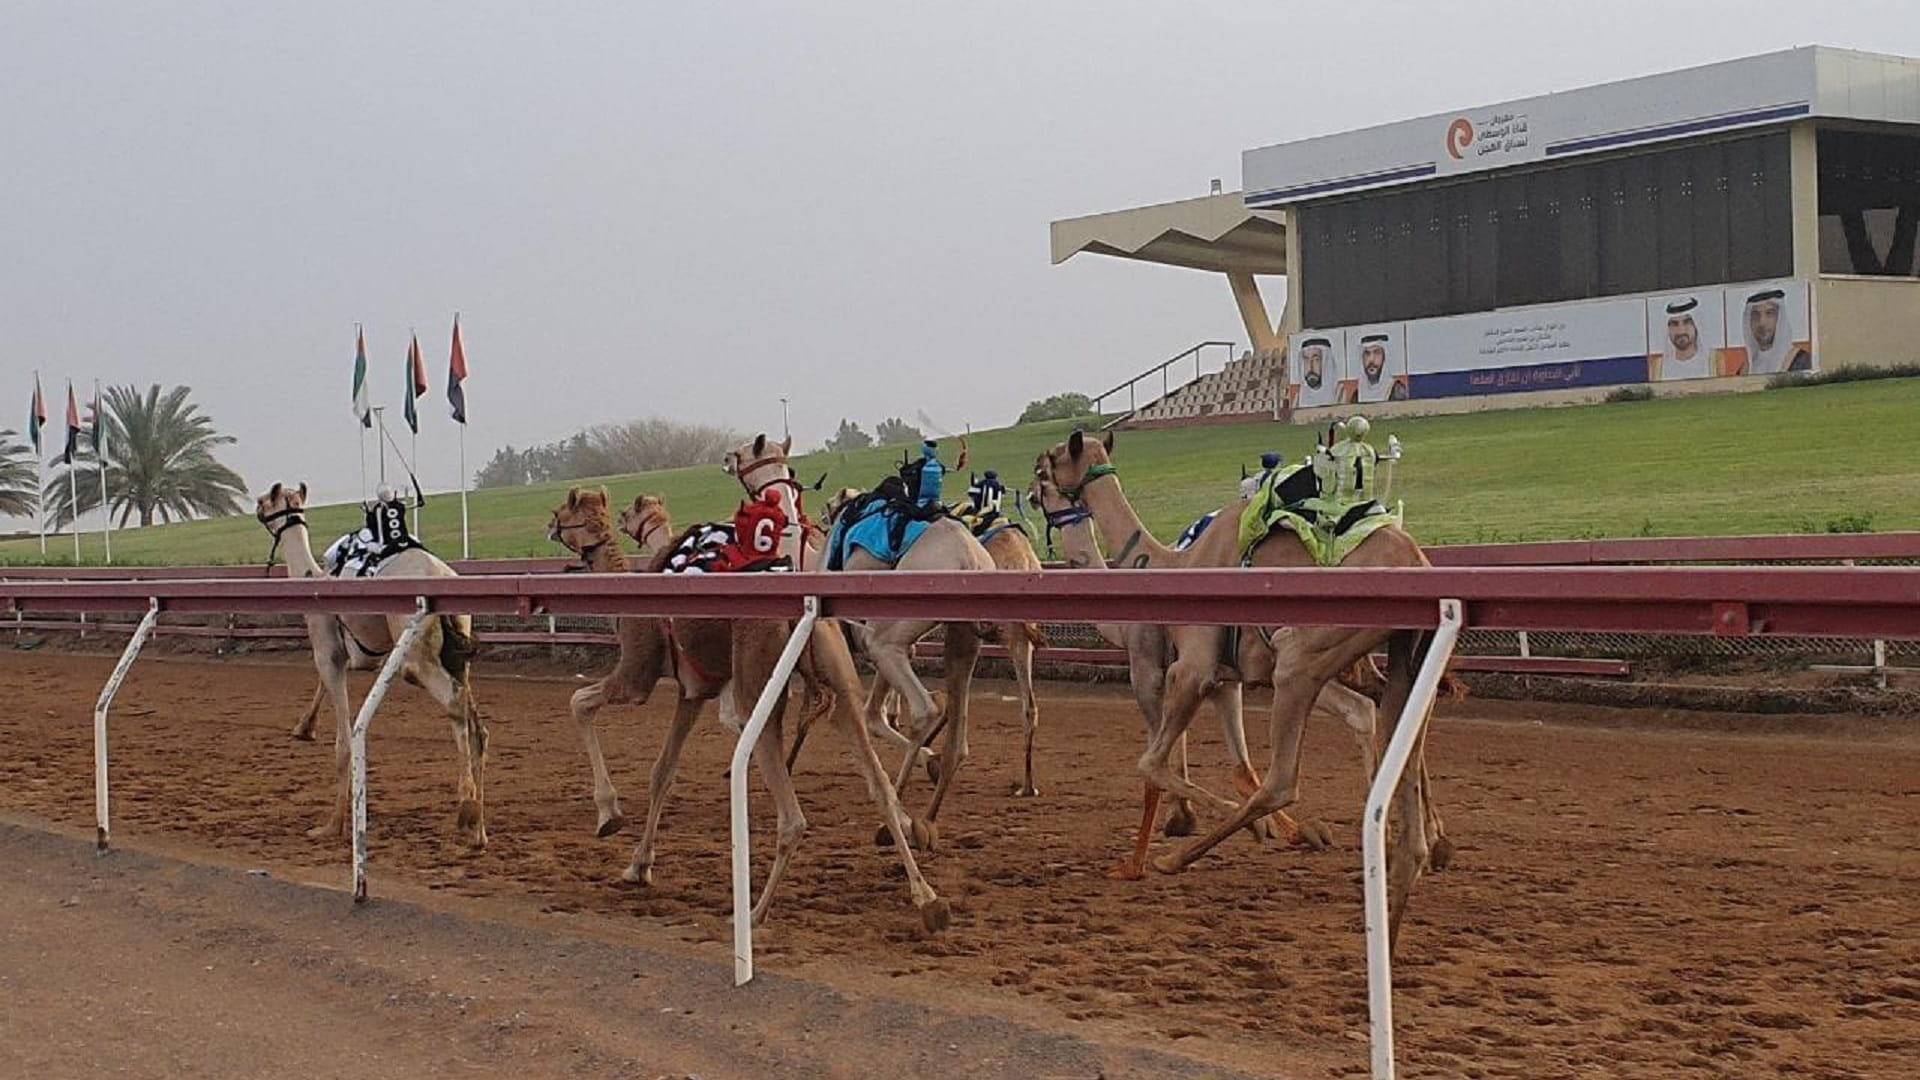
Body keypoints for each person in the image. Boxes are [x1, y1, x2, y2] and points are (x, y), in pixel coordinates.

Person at [1742, 289, 1812, 375]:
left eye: (1769, 313)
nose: (1762, 322)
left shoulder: (1802, 361)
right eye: (1756, 315)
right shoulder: (1745, 369)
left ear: (1780, 319)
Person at [1655, 297, 1712, 381]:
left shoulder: (1715, 362)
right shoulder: (1658, 368)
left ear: (1696, 326)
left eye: (1687, 323)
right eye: (1674, 324)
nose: (1681, 331)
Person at [1355, 333, 1408, 403]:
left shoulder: (1397, 390)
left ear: (1385, 357)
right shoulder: (1357, 395)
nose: (1371, 360)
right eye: (1367, 354)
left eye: (1377, 353)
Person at [1295, 336, 1340, 408]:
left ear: (1326, 363)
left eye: (1316, 360)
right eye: (1306, 360)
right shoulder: (1297, 400)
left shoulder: (1339, 395)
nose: (1310, 367)